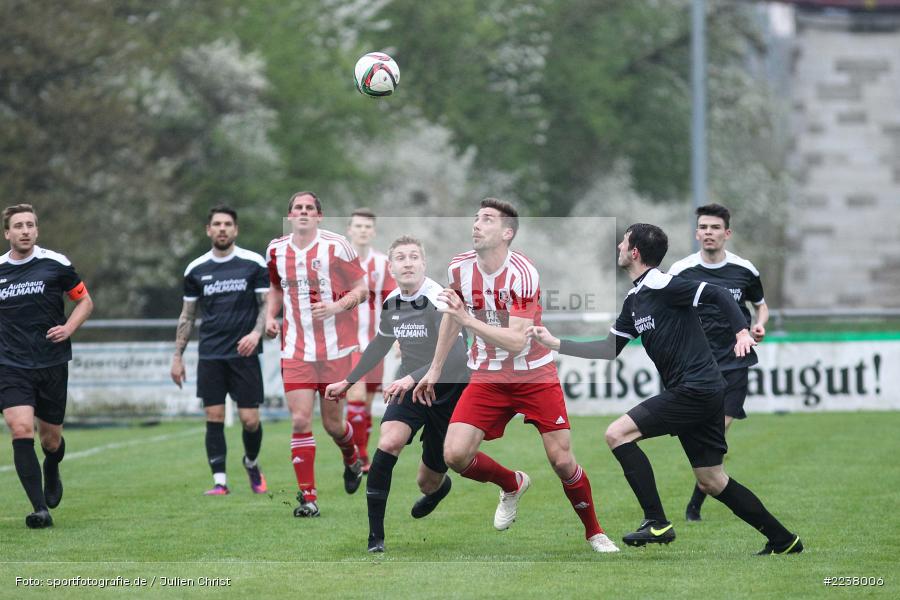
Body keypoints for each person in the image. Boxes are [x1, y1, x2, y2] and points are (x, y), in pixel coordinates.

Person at [528, 223, 802, 555]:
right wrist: (556, 343)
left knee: (617, 434)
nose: (618, 247)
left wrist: (741, 331)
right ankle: (784, 540)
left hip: (696, 388)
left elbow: (716, 294)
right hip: (701, 390)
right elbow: (608, 349)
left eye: (623, 242)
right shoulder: (634, 300)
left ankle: (656, 521)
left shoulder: (662, 284)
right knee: (712, 480)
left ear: (634, 252)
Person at [413, 198, 619, 554]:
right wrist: (434, 368)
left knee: (562, 461)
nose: (476, 224)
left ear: (507, 233)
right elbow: (452, 317)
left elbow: (515, 341)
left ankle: (595, 532)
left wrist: (467, 319)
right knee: (455, 455)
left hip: (534, 375)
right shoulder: (459, 267)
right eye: (476, 218)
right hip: (487, 376)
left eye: (487, 220)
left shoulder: (523, 273)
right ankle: (512, 483)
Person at [325, 236, 468, 553]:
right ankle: (375, 538)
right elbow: (380, 344)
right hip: (410, 387)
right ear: (391, 267)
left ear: (424, 264)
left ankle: (438, 488)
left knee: (427, 482)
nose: (407, 263)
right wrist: (348, 381)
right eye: (400, 258)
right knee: (388, 442)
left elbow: (458, 357)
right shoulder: (391, 302)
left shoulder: (438, 300)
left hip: (447, 391)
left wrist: (411, 378)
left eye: (414, 257)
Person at [265, 192, 369, 517]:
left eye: (309, 208)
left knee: (333, 425)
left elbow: (362, 289)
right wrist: (270, 316)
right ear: (290, 215)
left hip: (335, 350)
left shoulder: (337, 246)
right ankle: (308, 499)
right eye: (298, 208)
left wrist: (336, 306)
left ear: (319, 216)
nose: (303, 212)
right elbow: (276, 288)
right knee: (299, 420)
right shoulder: (276, 249)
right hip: (296, 349)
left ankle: (351, 458)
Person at [668, 203, 769, 521]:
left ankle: (695, 503)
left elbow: (760, 305)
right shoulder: (681, 271)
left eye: (714, 227)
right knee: (704, 435)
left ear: (727, 233)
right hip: (697, 365)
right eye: (703, 227)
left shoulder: (744, 269)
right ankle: (705, 488)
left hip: (735, 363)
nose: (708, 232)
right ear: (697, 233)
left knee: (717, 432)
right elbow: (665, 308)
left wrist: (759, 325)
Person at [0, 204, 93, 528]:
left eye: (30, 225)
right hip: (10, 364)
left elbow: (85, 301)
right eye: (18, 226)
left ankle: (52, 465)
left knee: (50, 441)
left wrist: (68, 328)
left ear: (37, 230)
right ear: (7, 233)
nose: (25, 230)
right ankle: (40, 509)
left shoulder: (56, 264)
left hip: (51, 362)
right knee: (20, 428)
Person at [170, 206, 269, 496]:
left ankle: (251, 462)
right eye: (217, 224)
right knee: (213, 416)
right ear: (208, 230)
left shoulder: (253, 263)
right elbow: (187, 315)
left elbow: (266, 305)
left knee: (250, 420)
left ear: (235, 230)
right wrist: (177, 357)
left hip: (244, 354)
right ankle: (220, 482)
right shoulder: (196, 269)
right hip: (211, 354)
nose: (222, 228)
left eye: (227, 224)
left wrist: (255, 334)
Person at [344, 208, 396, 472]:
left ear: (373, 232)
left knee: (365, 404)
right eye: (358, 226)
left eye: (367, 226)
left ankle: (359, 453)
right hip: (349, 343)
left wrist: (398, 336)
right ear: (349, 230)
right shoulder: (338, 263)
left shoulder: (383, 264)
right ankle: (360, 457)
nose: (363, 230)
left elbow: (392, 301)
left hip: (376, 343)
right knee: (355, 396)